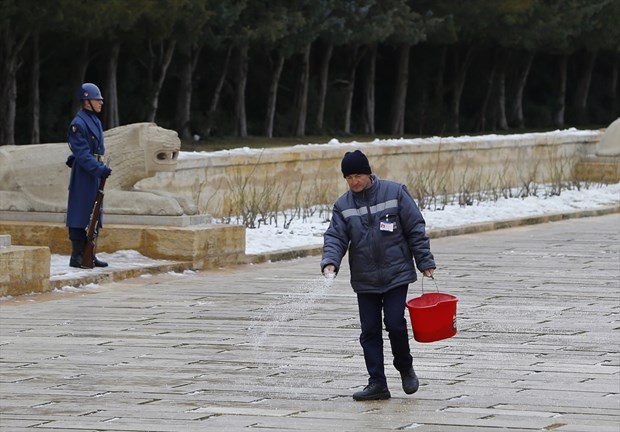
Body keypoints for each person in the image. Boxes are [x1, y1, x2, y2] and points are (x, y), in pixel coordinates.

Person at [320, 149, 436, 401]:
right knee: (369, 331)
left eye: (358, 175)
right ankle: (377, 383)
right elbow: (336, 236)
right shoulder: (343, 205)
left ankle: (405, 367)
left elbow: (415, 227)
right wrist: (330, 262)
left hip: (396, 274)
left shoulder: (395, 193)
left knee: (395, 323)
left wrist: (424, 261)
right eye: (348, 177)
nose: (354, 182)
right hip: (365, 279)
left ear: (368, 173)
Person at [65, 82, 112, 268]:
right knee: (80, 211)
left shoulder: (94, 120)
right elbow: (83, 153)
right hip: (85, 172)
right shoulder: (78, 123)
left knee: (95, 210)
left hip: (93, 170)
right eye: (97, 100)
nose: (101, 102)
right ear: (86, 102)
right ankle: (77, 255)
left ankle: (89, 253)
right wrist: (98, 169)